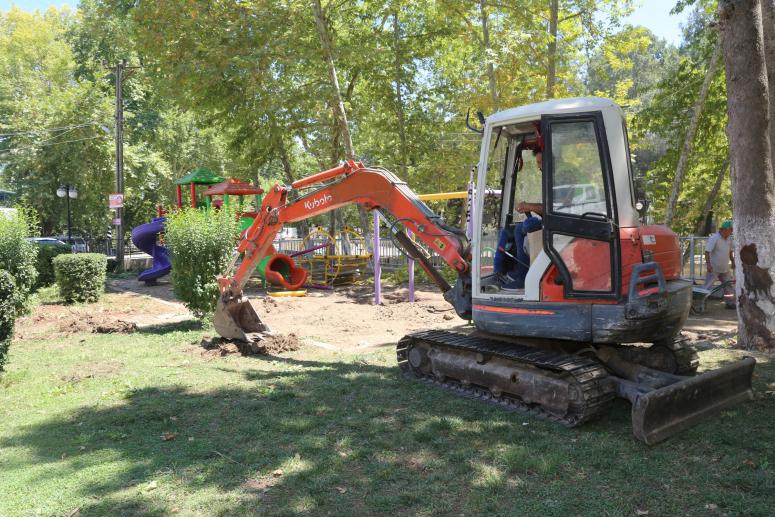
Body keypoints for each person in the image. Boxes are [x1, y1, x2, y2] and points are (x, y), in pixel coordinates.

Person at [704, 220, 734, 294]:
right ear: (725, 229)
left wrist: (733, 261)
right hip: (714, 268)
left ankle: (730, 303)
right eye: (731, 230)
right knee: (707, 287)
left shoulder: (729, 239)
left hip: (725, 268)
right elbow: (707, 252)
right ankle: (701, 303)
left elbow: (730, 252)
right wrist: (708, 265)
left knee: (729, 287)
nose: (732, 232)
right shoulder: (714, 238)